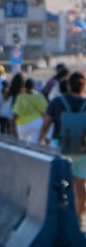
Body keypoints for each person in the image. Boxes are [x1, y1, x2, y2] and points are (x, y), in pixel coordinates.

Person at [38, 71, 86, 218]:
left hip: (60, 146)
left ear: (69, 85)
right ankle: (78, 216)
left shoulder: (58, 102)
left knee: (61, 180)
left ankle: (62, 214)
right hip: (82, 148)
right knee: (80, 183)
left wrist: (40, 141)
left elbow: (46, 124)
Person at [12, 76, 48, 143]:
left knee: (23, 143)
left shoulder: (20, 97)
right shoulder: (39, 96)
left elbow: (16, 113)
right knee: (35, 144)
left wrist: (13, 125)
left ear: (24, 86)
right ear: (34, 86)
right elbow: (45, 111)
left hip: (23, 124)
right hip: (37, 122)